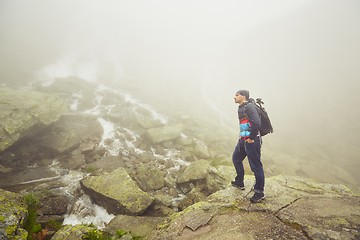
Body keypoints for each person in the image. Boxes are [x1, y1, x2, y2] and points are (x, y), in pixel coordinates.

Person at [231, 89, 265, 203]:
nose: (234, 97)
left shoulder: (249, 106)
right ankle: (239, 182)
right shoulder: (241, 107)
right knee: (236, 159)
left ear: (243, 96)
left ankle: (259, 192)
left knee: (256, 167)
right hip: (243, 140)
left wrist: (251, 138)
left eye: (237, 95)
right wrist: (243, 138)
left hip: (252, 141)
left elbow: (257, 123)